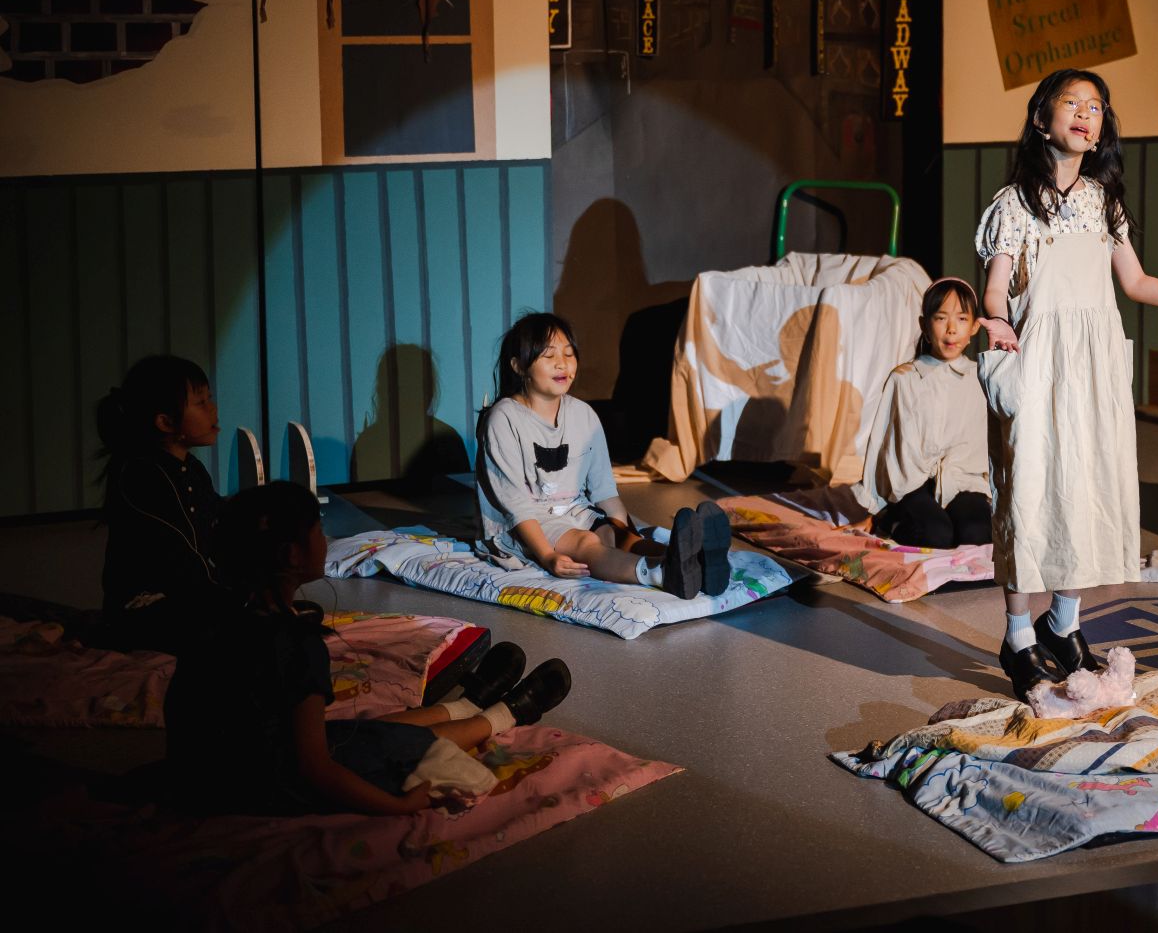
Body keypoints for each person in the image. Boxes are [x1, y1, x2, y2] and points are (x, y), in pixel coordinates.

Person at [977, 67, 1158, 696]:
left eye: (1095, 106)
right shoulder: (1013, 203)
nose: (1084, 113)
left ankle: (1063, 623)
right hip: (1039, 359)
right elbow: (995, 287)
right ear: (1040, 118)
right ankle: (1017, 635)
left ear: (1102, 129)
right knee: (1029, 492)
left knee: (1087, 486)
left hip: (1093, 366)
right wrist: (997, 321)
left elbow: (1136, 282)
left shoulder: (1105, 203)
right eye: (1070, 102)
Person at [164, 481, 571, 815]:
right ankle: (505, 714)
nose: (325, 539)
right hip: (262, 787)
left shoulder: (216, 619)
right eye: (318, 530)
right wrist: (397, 806)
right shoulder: (294, 643)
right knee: (409, 749)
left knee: (365, 733)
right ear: (292, 554)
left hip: (215, 772)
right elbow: (314, 768)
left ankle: (469, 705)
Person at [478, 311, 732, 599]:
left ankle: (698, 565)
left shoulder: (584, 414)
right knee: (585, 543)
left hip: (574, 511)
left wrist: (628, 535)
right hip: (525, 524)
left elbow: (604, 491)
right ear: (518, 366)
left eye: (569, 354)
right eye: (549, 355)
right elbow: (515, 505)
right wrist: (547, 556)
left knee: (613, 536)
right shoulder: (503, 418)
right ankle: (662, 574)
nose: (563, 363)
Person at [95, 355, 232, 650]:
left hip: (191, 596)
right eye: (201, 402)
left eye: (209, 399)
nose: (213, 409)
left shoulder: (192, 469)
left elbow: (217, 525)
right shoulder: (141, 474)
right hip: (145, 607)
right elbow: (181, 556)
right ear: (165, 422)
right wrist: (231, 598)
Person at [857, 277, 993, 549]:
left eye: (962, 319)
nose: (951, 329)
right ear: (925, 325)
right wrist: (873, 502)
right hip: (914, 483)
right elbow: (883, 444)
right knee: (936, 535)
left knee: (976, 532)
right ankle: (891, 520)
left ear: (974, 327)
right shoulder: (904, 378)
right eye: (941, 318)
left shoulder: (979, 378)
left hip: (962, 480)